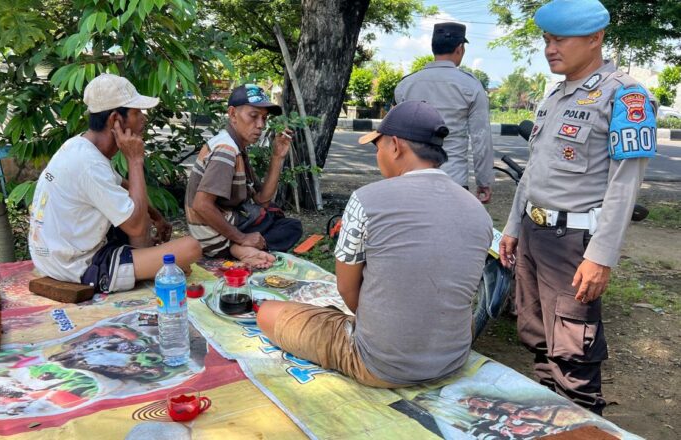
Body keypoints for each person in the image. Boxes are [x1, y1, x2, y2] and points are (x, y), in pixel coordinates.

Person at [257, 101, 493, 387]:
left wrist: (383, 328)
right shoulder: (478, 211)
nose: (378, 156)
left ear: (395, 146)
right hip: (452, 359)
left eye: (377, 147)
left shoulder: (366, 199)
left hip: (380, 365)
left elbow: (346, 288)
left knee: (268, 313)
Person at [498, 0, 657, 415]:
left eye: (560, 39)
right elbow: (534, 171)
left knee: (573, 354)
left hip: (574, 245)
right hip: (535, 237)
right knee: (536, 338)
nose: (550, 48)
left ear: (595, 38)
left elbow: (624, 187)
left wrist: (600, 258)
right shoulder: (555, 95)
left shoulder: (625, 96)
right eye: (547, 40)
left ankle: (583, 425)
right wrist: (513, 227)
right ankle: (552, 419)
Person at [28, 73, 202, 292]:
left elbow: (123, 185)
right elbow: (137, 227)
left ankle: (147, 261)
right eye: (137, 112)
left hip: (56, 257)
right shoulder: (89, 164)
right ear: (115, 120)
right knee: (191, 248)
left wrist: (157, 216)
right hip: (76, 266)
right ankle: (145, 264)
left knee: (145, 226)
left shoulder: (79, 146)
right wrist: (135, 160)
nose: (143, 119)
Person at [185, 84, 303, 268]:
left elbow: (262, 199)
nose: (260, 125)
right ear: (233, 114)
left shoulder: (237, 147)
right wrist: (242, 238)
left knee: (284, 224)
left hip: (225, 225)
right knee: (288, 227)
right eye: (253, 116)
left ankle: (240, 249)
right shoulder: (226, 150)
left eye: (264, 118)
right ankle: (236, 249)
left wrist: (277, 157)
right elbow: (201, 205)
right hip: (210, 236)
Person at [394, 22, 494, 203]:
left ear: (433, 47)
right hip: (453, 179)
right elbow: (481, 139)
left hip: (410, 178)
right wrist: (484, 181)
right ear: (460, 48)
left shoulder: (405, 85)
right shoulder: (471, 86)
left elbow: (395, 137)